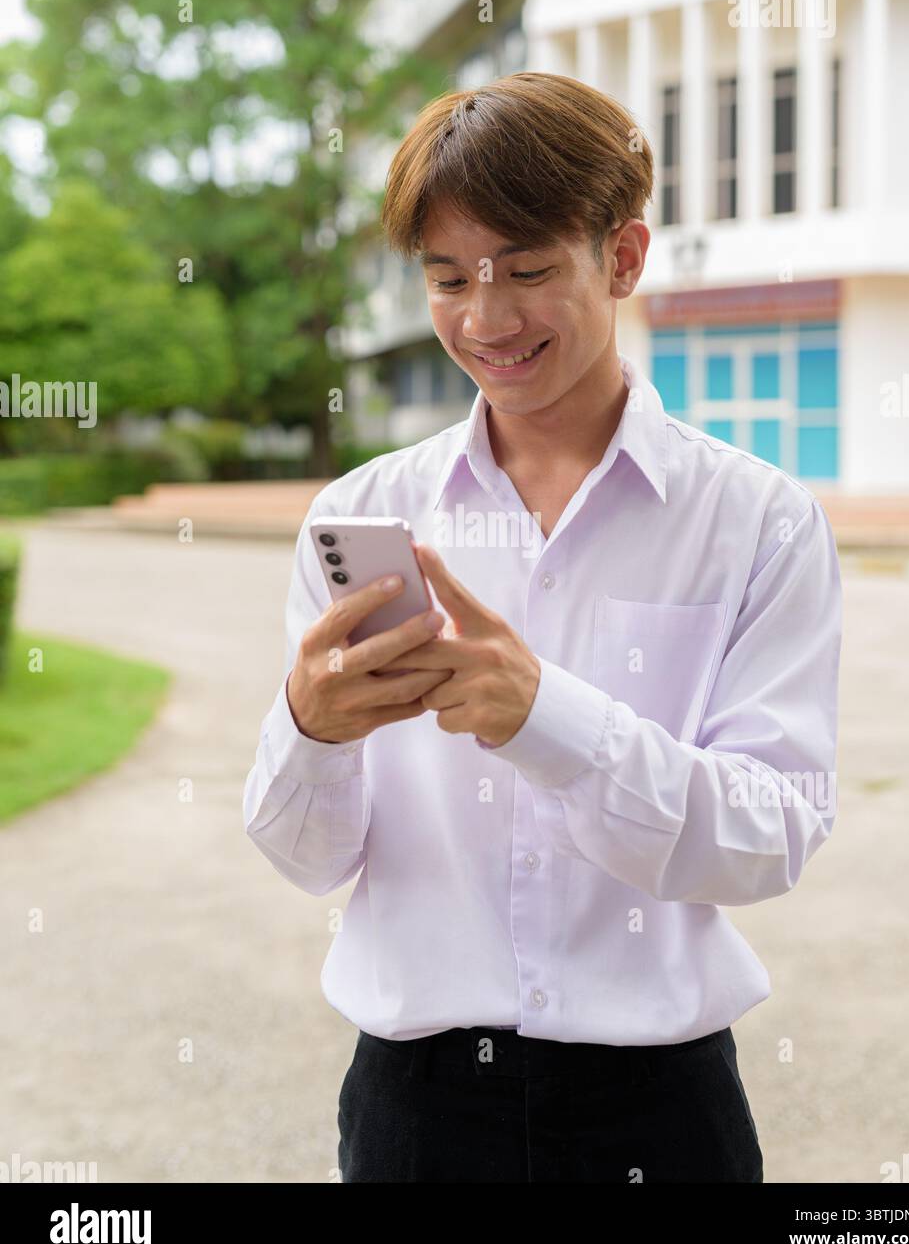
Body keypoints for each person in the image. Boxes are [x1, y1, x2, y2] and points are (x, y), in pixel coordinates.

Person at [242, 72, 842, 1183]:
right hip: (414, 1111)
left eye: (524, 270)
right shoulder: (360, 518)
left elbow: (769, 836)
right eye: (446, 279)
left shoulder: (756, 521)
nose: (485, 319)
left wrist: (545, 717)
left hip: (657, 1110)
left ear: (620, 258)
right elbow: (307, 857)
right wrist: (308, 728)